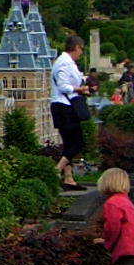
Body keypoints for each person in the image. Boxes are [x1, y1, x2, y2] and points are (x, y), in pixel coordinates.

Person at [51, 34, 91, 190]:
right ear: (77, 47)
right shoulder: (64, 63)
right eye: (81, 49)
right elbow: (63, 86)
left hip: (63, 106)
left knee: (69, 143)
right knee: (78, 143)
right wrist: (79, 89)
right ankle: (56, 171)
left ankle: (69, 178)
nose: (81, 53)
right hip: (64, 107)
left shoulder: (65, 62)